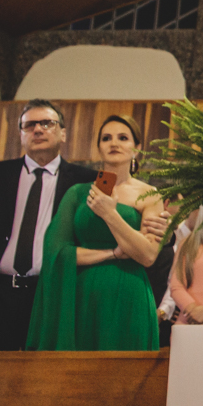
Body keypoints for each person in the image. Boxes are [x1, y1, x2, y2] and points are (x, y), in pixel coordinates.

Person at [0, 100, 96, 350]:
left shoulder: (87, 180)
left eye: (47, 123)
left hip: (50, 293)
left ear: (63, 133)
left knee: (44, 379)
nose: (38, 129)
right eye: (29, 125)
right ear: (21, 134)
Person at [25, 115, 162, 352]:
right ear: (99, 147)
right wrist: (113, 253)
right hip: (83, 295)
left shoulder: (149, 195)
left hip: (129, 294)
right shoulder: (78, 193)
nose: (114, 143)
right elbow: (55, 251)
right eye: (106, 138)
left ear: (137, 149)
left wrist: (110, 214)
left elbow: (148, 255)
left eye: (123, 138)